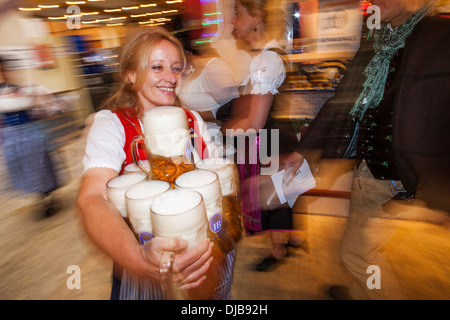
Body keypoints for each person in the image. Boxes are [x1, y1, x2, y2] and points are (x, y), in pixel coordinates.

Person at [283, 0, 450, 299]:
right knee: (359, 251)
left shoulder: (442, 37)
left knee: (357, 256)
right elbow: (341, 102)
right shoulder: (377, 40)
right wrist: (304, 149)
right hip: (370, 172)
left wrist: (442, 196)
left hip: (413, 176)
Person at [76, 27, 218, 300]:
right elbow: (92, 199)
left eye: (176, 68)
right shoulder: (112, 124)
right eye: (157, 67)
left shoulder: (193, 120)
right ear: (130, 74)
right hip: (139, 268)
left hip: (198, 263)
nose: (171, 77)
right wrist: (139, 260)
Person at [220, 0, 306, 272]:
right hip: (274, 136)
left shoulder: (267, 59)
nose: (233, 22)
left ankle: (278, 250)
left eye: (237, 15)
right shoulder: (267, 54)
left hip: (267, 140)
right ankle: (290, 241)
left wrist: (221, 132)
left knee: (273, 196)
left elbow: (254, 123)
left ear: (255, 17)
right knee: (281, 193)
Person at [0, 56, 61, 217]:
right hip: (12, 137)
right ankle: (41, 198)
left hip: (29, 133)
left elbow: (41, 109)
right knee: (26, 170)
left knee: (39, 166)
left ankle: (47, 197)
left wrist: (37, 100)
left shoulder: (19, 89)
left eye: (2, 69)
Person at [178, 41, 240, 157]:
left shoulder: (213, 68)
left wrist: (189, 116)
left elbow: (231, 109)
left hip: (216, 141)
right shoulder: (186, 70)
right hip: (195, 140)